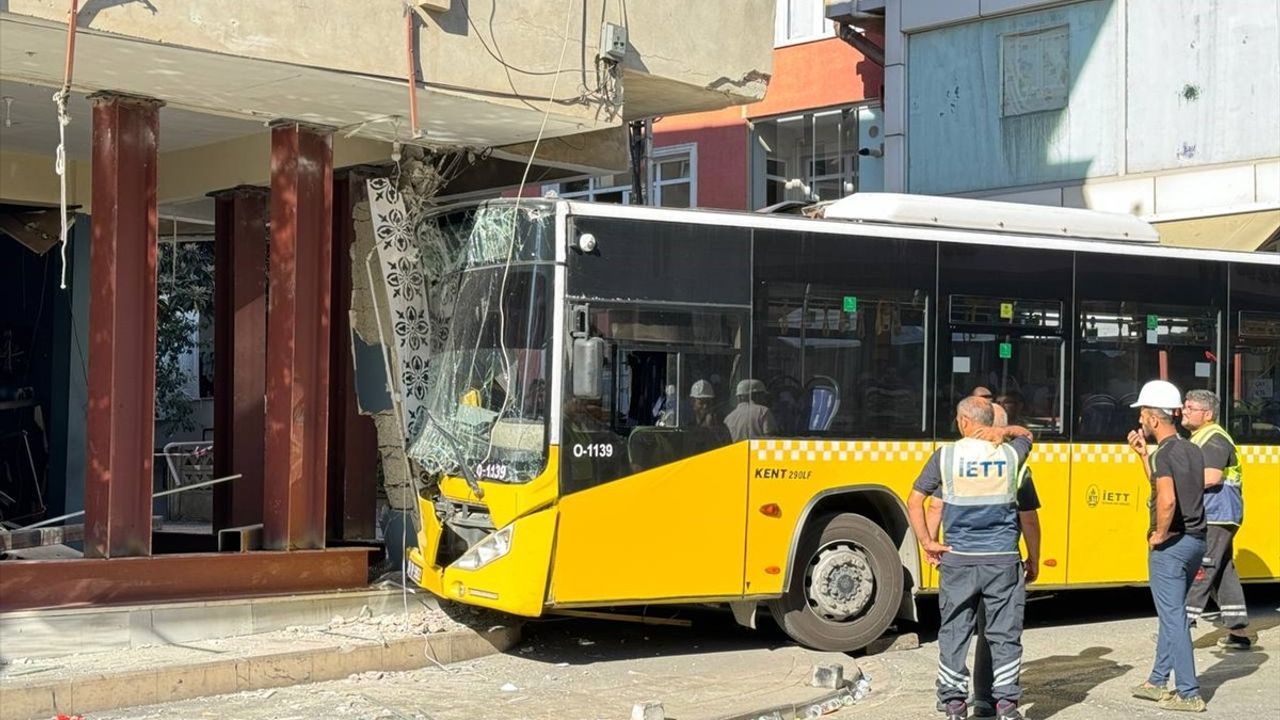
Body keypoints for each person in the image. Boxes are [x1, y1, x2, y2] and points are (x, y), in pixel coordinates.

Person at [907, 396, 1036, 720]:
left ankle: (953, 704)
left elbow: (916, 501)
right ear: (991, 422)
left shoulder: (946, 456)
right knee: (1004, 634)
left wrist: (927, 542)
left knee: (954, 632)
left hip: (958, 560)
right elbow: (1027, 436)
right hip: (1002, 561)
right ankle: (1006, 705)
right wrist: (1003, 432)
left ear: (963, 421)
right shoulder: (1010, 455)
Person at [1126, 380, 1208, 712]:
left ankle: (1188, 693)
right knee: (1171, 613)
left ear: (1154, 419)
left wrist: (1159, 534)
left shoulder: (1165, 454)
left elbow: (1167, 499)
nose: (1141, 420)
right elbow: (1164, 484)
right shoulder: (1189, 449)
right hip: (1196, 542)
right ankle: (1157, 681)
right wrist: (1143, 456)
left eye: (1143, 414)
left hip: (1172, 546)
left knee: (1173, 618)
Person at [1181, 389, 1250, 650]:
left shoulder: (1214, 439)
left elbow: (1211, 477)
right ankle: (1239, 632)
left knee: (1203, 565)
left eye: (1190, 407)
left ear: (1207, 414)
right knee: (1221, 570)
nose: (1184, 411)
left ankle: (1181, 627)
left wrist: (1176, 488)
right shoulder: (1202, 437)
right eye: (1184, 406)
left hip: (1217, 513)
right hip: (1219, 513)